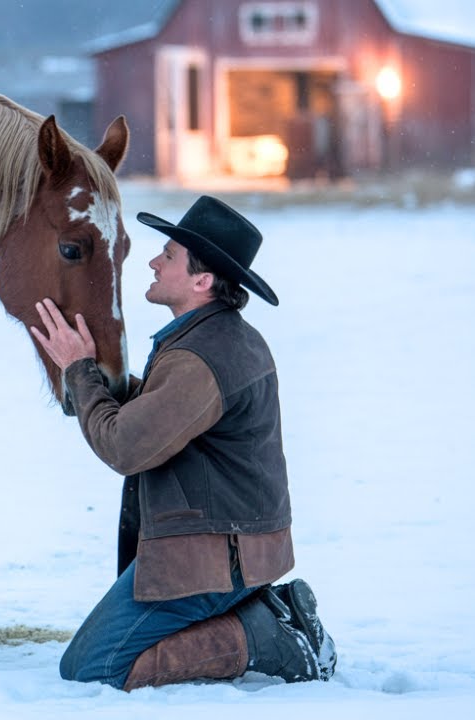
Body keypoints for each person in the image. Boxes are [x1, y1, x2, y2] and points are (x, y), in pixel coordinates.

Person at [29, 195, 337, 690]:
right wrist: (95, 381)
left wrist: (80, 371)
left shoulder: (201, 356)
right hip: (232, 550)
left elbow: (125, 447)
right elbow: (165, 416)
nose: (153, 261)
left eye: (168, 255)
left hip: (214, 559)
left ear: (202, 280)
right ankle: (261, 611)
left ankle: (266, 635)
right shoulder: (215, 337)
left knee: (93, 670)